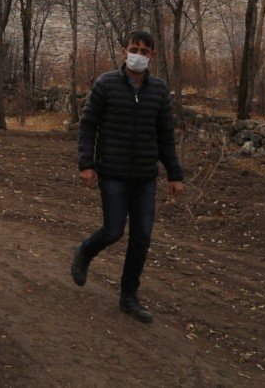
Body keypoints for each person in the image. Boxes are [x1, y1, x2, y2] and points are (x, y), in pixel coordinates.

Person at [70, 30, 185, 324]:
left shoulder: (158, 90)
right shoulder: (106, 83)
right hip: (113, 173)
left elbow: (166, 136)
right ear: (124, 51)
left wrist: (175, 174)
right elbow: (88, 125)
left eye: (145, 51)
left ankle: (128, 296)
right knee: (113, 231)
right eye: (134, 49)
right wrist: (87, 163)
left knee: (142, 237)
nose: (138, 55)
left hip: (145, 175)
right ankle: (85, 251)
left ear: (153, 56)